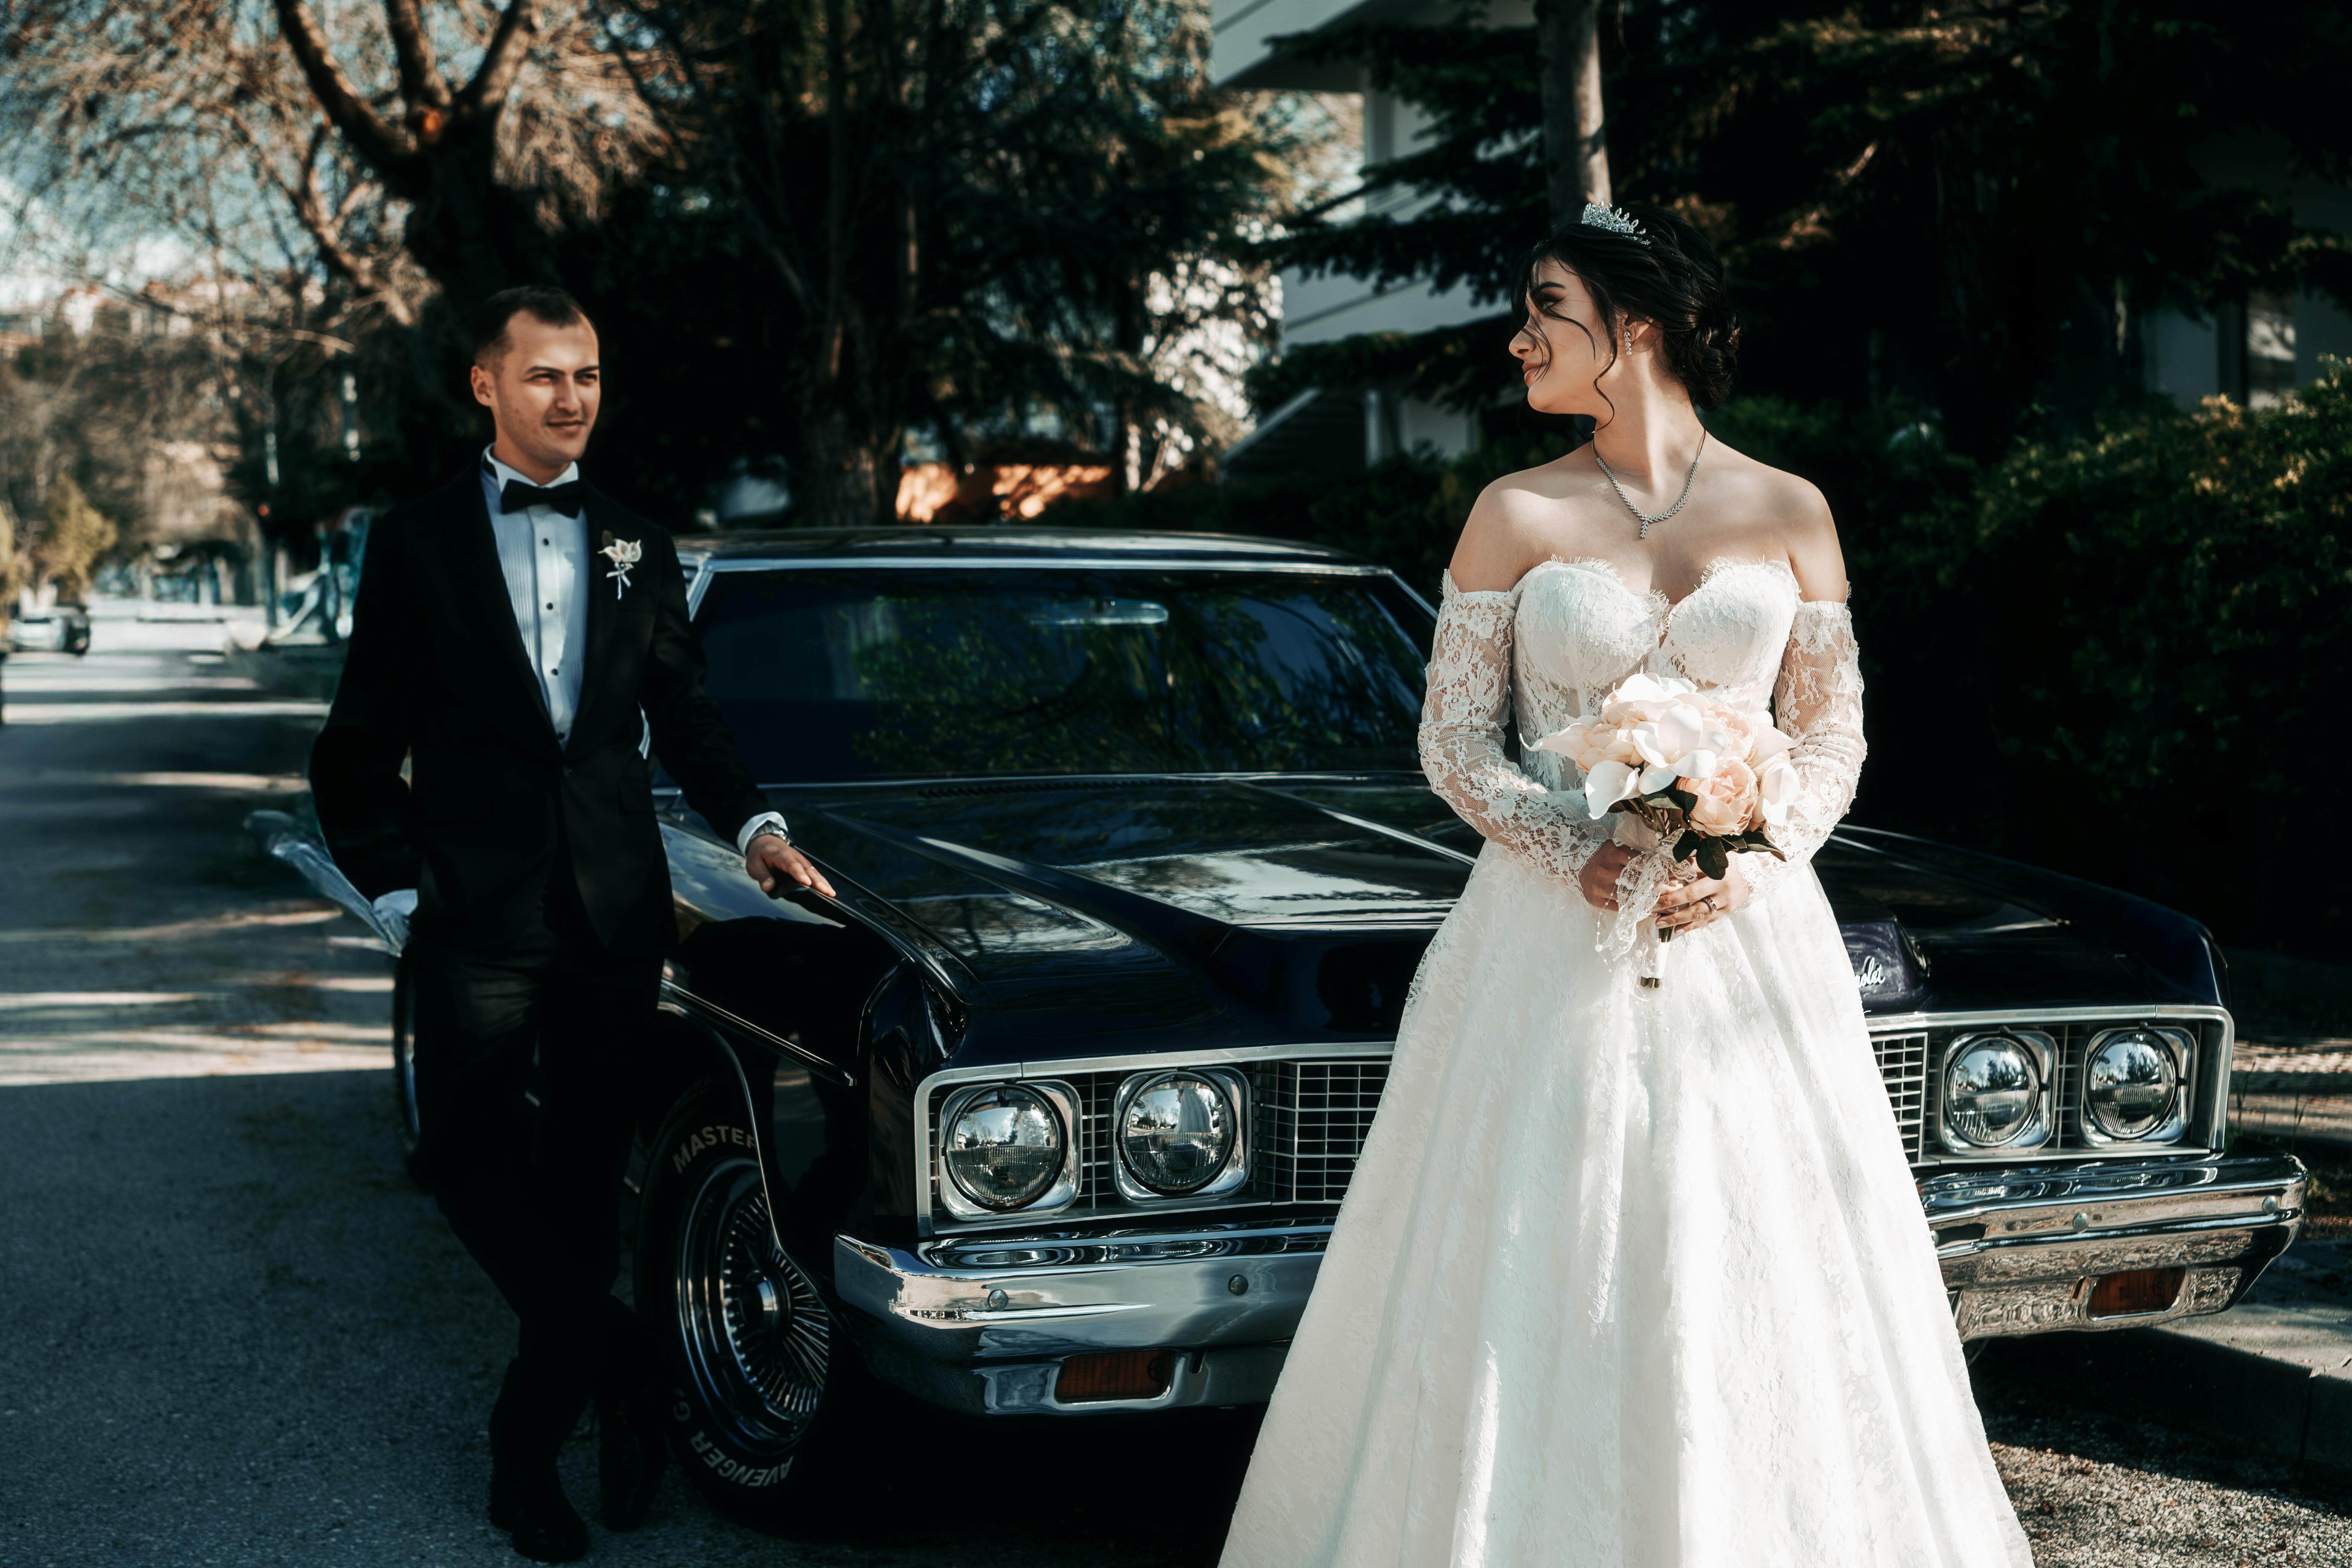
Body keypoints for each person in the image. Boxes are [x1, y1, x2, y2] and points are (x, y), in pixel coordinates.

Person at [1217, 205, 2033, 1566]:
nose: (1519, 334)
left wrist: (1761, 847)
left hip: (1746, 948)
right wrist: (1563, 841)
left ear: (1634, 323)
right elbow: (1451, 742)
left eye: (1547, 304)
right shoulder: (1514, 510)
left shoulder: (1790, 508)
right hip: (1550, 936)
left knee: (1753, 1253)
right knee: (1540, 1247)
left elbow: (1832, 732)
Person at [309, 286, 835, 1563]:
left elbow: (690, 721)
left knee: (590, 1181)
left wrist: (757, 831)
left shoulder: (640, 546)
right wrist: (391, 890)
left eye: (589, 375)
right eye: (546, 375)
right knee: (464, 1160)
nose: (573, 398)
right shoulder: (418, 541)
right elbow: (357, 744)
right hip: (472, 917)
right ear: (486, 386)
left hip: (612, 913)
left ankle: (524, 1457)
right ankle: (614, 1350)